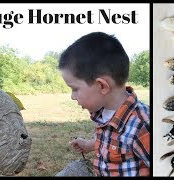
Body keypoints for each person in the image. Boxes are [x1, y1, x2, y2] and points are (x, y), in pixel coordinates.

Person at [58, 32, 150, 176]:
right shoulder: (103, 113)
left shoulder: (142, 125)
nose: (72, 97)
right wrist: (89, 145)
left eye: (75, 89)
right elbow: (110, 143)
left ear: (102, 86)